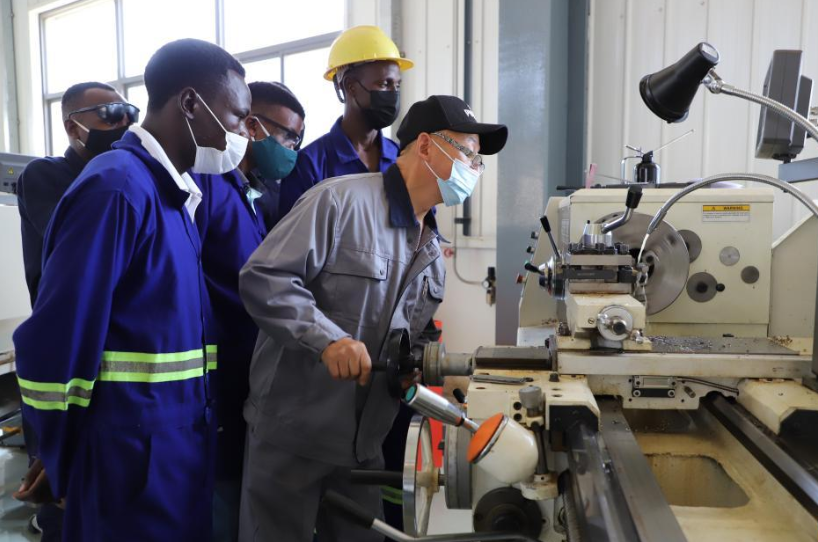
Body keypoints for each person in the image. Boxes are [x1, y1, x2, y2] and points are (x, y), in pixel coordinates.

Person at [237, 95, 508, 542]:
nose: (474, 169)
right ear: (426, 146)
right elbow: (264, 277)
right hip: (293, 437)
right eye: (467, 153)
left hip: (363, 449)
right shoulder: (338, 203)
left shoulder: (431, 252)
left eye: (479, 162)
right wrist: (328, 340)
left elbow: (414, 334)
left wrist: (423, 363)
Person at [12, 38, 251, 542]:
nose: (241, 134)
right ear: (191, 104)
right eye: (236, 117)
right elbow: (56, 339)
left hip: (173, 451)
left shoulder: (172, 195)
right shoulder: (117, 189)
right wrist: (58, 452)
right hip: (126, 461)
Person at [14, 81, 138, 541]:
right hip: (63, 354)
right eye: (108, 114)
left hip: (109, 361)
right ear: (72, 127)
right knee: (60, 488)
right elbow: (83, 246)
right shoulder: (46, 176)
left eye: (129, 112)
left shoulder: (126, 177)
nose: (122, 122)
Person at [193, 80, 305, 542]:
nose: (292, 149)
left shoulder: (252, 195)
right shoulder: (208, 187)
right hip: (212, 373)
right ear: (252, 125)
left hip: (244, 368)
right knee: (216, 503)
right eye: (288, 137)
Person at [277, 25, 413, 221]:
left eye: (397, 85)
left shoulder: (401, 157)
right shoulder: (310, 164)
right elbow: (292, 236)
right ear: (350, 86)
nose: (394, 94)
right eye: (385, 84)